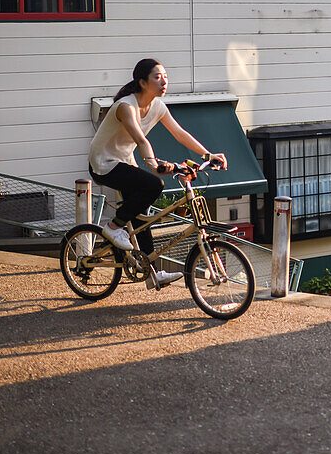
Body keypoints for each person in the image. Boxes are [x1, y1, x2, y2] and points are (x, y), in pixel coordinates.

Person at [88, 58, 227, 288]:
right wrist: (153, 165)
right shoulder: (126, 106)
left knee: (141, 218)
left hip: (124, 161)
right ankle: (113, 227)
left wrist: (207, 155)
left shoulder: (158, 107)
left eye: (165, 76)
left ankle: (151, 274)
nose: (164, 81)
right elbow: (140, 139)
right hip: (103, 163)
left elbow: (179, 133)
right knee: (154, 185)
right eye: (157, 77)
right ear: (142, 82)